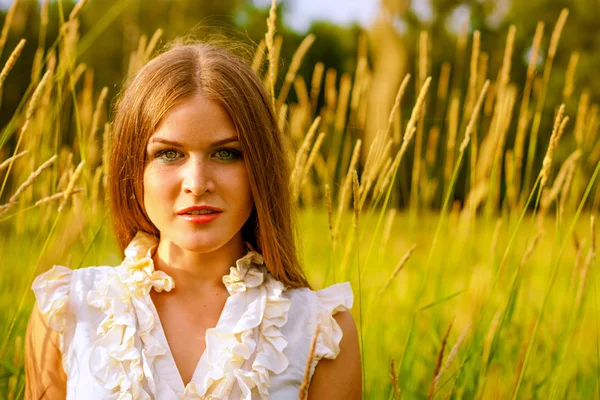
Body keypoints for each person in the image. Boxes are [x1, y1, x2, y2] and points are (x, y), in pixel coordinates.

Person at [24, 41, 362, 399]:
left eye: (226, 153)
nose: (197, 183)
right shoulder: (67, 312)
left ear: (260, 168)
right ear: (133, 167)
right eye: (169, 153)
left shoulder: (320, 331)